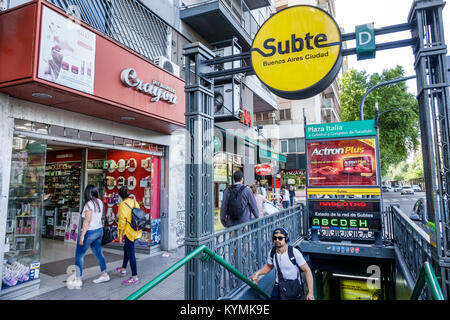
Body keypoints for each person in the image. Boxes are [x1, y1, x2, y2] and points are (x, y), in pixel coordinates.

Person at [251, 227, 314, 300]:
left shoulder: (294, 252)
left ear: (286, 239)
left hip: (294, 287)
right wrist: (258, 273)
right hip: (279, 286)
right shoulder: (272, 252)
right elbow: (269, 266)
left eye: (280, 238)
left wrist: (310, 293)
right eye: (275, 238)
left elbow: (307, 270)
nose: (277, 240)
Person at [69, 185, 110, 289]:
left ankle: (78, 280)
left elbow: (87, 221)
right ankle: (105, 274)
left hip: (90, 232)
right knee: (99, 253)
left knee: (79, 255)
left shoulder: (88, 204)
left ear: (87, 193)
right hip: (99, 230)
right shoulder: (99, 202)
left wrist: (82, 236)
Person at [116, 186, 142, 285]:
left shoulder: (122, 205)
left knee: (131, 254)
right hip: (136, 231)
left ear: (120, 196)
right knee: (127, 249)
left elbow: (122, 222)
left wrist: (120, 236)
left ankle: (134, 277)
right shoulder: (135, 202)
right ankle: (123, 269)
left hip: (129, 232)